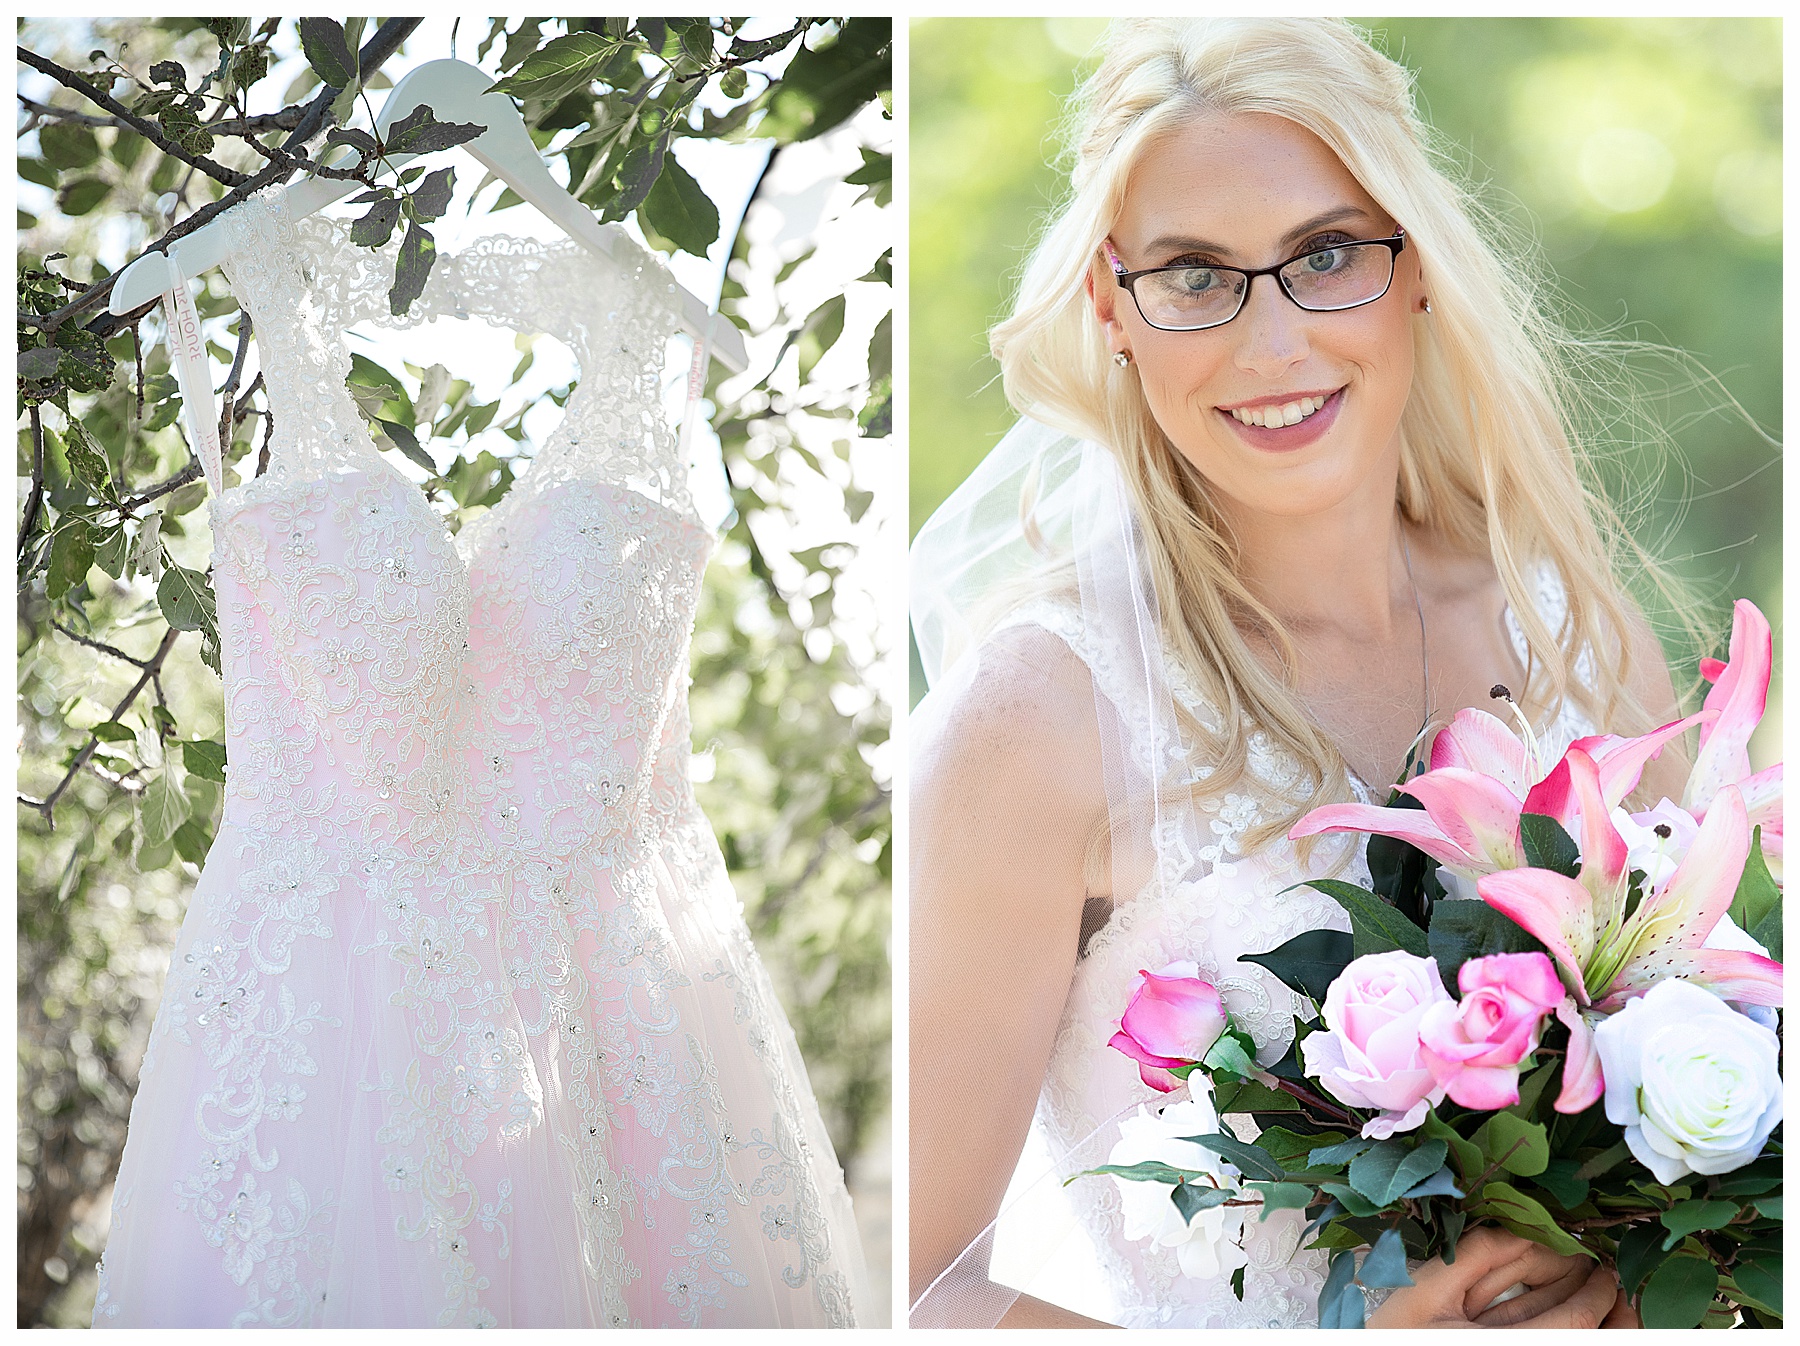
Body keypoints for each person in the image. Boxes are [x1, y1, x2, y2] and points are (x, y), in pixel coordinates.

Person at [910, 17, 1683, 1328]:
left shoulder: (1575, 637)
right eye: (1195, 275)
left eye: (1326, 254)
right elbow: (910, 1292)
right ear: (1111, 303)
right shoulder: (1040, 720)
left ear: (1415, 267)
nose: (1270, 345)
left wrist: (1632, 1265)